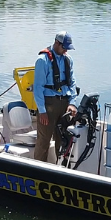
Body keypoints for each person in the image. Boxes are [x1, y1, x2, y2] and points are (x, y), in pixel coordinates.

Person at [32, 30, 80, 163]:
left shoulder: (68, 59)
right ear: (57, 43)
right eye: (64, 47)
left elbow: (72, 83)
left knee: (64, 139)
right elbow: (38, 88)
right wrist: (42, 111)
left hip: (64, 104)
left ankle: (62, 167)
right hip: (48, 104)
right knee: (44, 141)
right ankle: (38, 169)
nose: (65, 51)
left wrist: (72, 103)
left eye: (67, 48)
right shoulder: (43, 60)